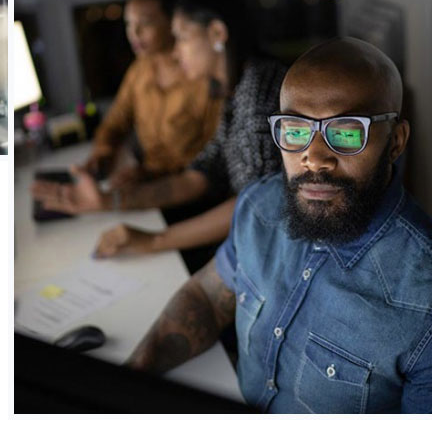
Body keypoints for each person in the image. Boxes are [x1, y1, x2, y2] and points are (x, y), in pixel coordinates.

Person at [125, 38, 431, 413]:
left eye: (346, 133)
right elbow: (206, 297)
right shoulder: (259, 207)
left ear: (396, 142)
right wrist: (128, 378)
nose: (313, 158)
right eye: (296, 130)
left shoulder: (423, 297)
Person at [31, 0, 286, 270]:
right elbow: (200, 175)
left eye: (182, 38)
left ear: (216, 33)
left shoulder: (259, 90)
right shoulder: (233, 90)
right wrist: (109, 200)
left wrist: (154, 240)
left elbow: (256, 206)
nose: (176, 52)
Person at [80, 0, 221, 188]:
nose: (134, 33)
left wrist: (150, 175)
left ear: (173, 23)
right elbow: (115, 122)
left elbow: (214, 158)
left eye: (145, 23)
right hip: (145, 180)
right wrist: (104, 152)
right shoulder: (140, 70)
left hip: (186, 188)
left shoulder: (201, 74)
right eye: (129, 23)